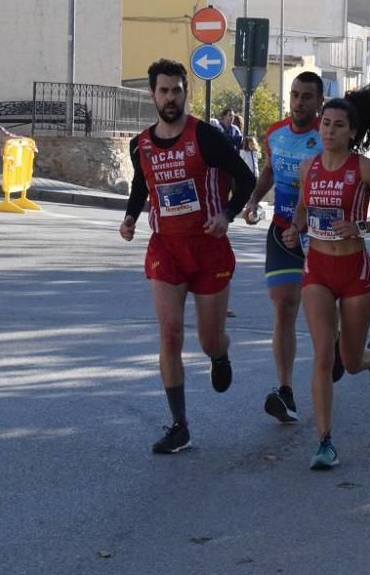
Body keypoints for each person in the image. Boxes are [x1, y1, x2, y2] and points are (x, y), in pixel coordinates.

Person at [118, 59, 256, 454]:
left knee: (208, 339)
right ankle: (179, 424)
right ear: (152, 94)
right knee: (170, 333)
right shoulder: (140, 143)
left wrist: (226, 215)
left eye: (177, 90)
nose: (170, 97)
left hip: (208, 247)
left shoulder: (208, 137)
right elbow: (141, 185)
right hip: (166, 248)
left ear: (185, 92)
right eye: (163, 91)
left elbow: (245, 179)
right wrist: (129, 217)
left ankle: (220, 353)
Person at [282, 83, 370, 470]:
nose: (329, 131)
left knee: (349, 362)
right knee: (322, 354)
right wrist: (294, 227)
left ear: (351, 132)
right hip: (317, 267)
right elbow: (303, 209)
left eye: (338, 126)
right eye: (326, 124)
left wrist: (360, 227)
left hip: (355, 272)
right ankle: (325, 441)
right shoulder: (309, 167)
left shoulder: (363, 168)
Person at [244, 72, 340, 424]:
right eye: (295, 95)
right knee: (284, 305)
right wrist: (254, 198)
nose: (299, 103)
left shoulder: (327, 137)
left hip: (320, 236)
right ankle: (285, 391)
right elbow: (269, 169)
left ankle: (339, 343)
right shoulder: (275, 133)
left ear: (319, 102)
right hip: (282, 230)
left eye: (306, 97)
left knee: (324, 312)